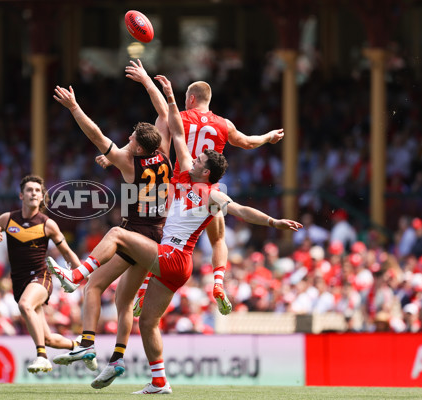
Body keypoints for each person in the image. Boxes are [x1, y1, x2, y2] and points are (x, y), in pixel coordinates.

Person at [48, 75, 302, 394]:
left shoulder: (212, 194)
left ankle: (77, 275)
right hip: (175, 264)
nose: (194, 157)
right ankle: (159, 381)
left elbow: (239, 209)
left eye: (200, 160)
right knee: (148, 322)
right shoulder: (183, 172)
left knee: (115, 233)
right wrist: (169, 97)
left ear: (206, 171)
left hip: (172, 257)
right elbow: (178, 131)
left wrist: (274, 222)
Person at [99, 60, 284, 316]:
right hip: (210, 191)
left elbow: (150, 137)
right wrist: (268, 137)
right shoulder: (224, 124)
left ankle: (143, 288)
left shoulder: (182, 117)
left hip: (179, 185)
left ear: (191, 99)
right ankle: (219, 283)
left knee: (160, 238)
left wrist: (114, 155)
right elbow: (248, 142)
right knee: (218, 238)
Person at [52, 82, 172, 388]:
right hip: (156, 236)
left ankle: (87, 341)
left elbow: (95, 135)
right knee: (123, 301)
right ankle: (117, 360)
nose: (127, 140)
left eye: (131, 139)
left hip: (135, 234)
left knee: (93, 286)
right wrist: (148, 81)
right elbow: (162, 112)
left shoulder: (129, 161)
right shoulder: (165, 155)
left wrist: (73, 107)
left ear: (140, 148)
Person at [0, 175, 83, 374]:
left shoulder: (48, 224)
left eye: (37, 190)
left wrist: (83, 274)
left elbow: (68, 253)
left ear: (42, 197)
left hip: (40, 278)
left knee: (25, 305)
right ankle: (79, 347)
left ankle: (42, 357)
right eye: (29, 190)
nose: (33, 193)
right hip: (19, 283)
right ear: (21, 195)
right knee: (48, 338)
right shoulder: (7, 219)